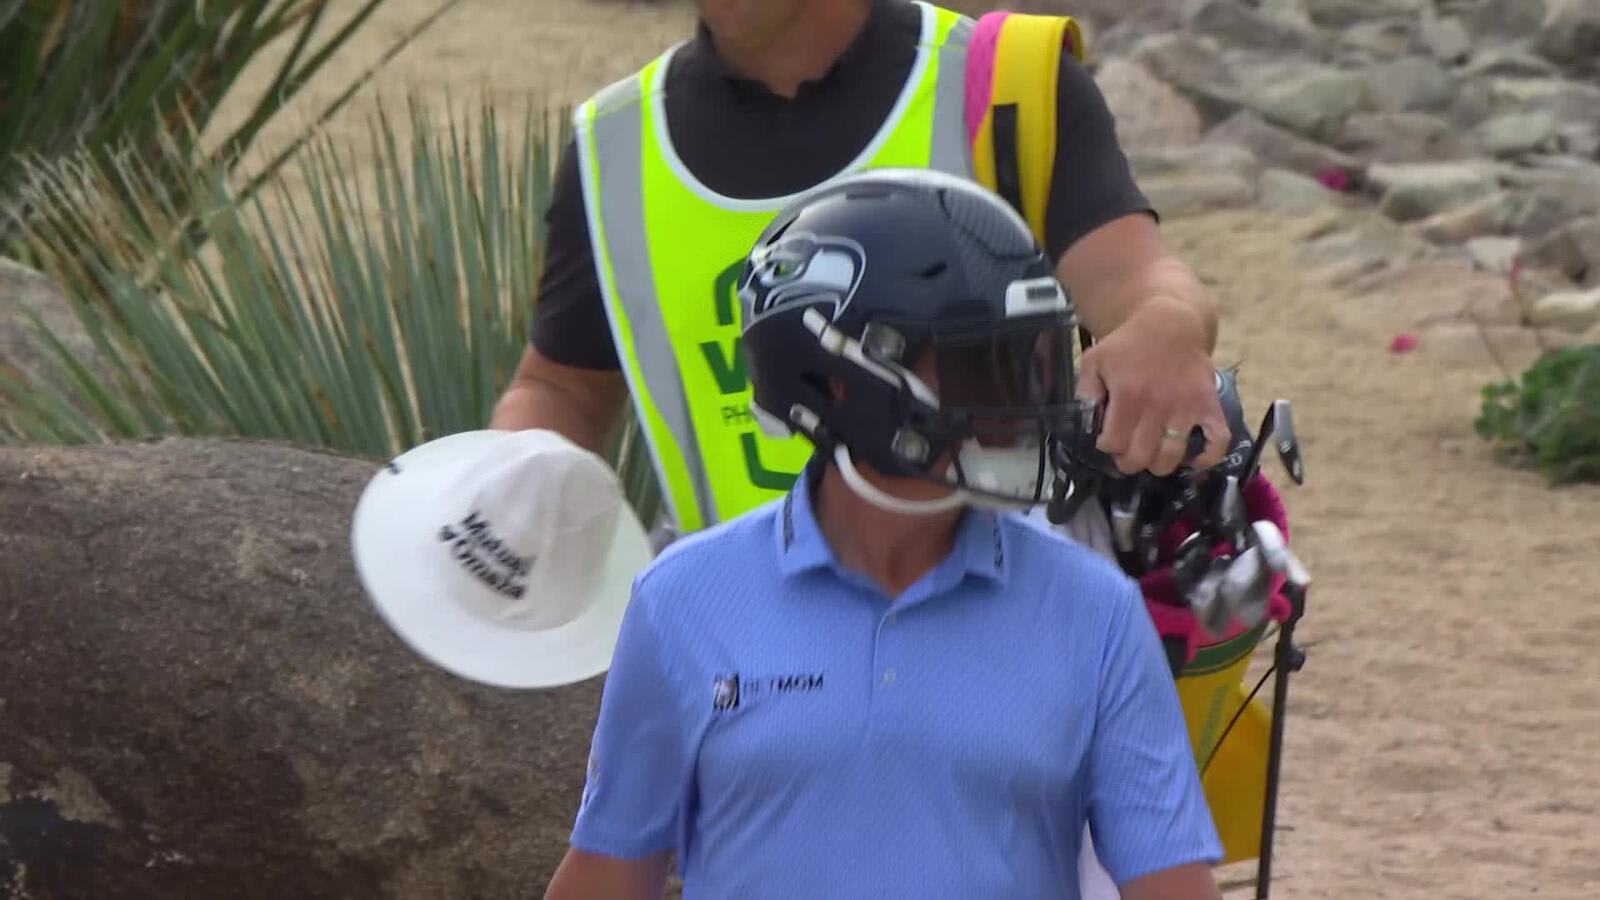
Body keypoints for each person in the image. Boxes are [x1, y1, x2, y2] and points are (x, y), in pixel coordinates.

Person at [543, 170, 1223, 899]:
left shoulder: (1097, 613)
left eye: (1034, 368)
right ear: (835, 380)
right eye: (984, 368)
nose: (1027, 410)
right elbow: (607, 876)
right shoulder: (681, 602)